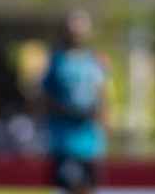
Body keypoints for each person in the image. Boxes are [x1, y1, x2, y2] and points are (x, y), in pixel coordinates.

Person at [40, 10, 112, 194]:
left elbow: (104, 95)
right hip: (65, 141)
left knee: (88, 187)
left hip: (90, 142)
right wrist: (67, 109)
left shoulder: (96, 60)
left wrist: (102, 117)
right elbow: (43, 96)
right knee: (69, 186)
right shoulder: (56, 60)